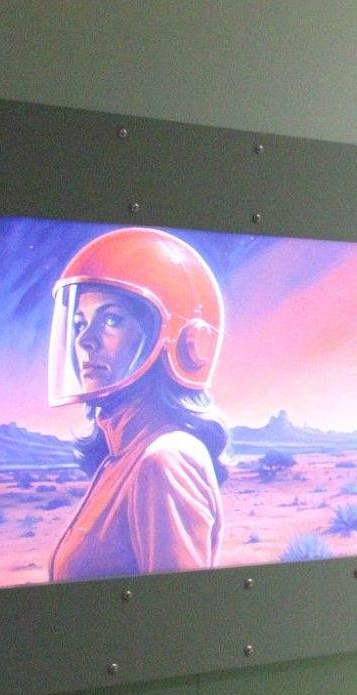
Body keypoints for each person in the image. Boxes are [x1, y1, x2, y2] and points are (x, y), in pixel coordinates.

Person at [47, 226, 230, 582]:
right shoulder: (123, 453)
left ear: (179, 340)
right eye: (80, 322)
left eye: (112, 319)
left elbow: (175, 620)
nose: (84, 340)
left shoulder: (164, 460)